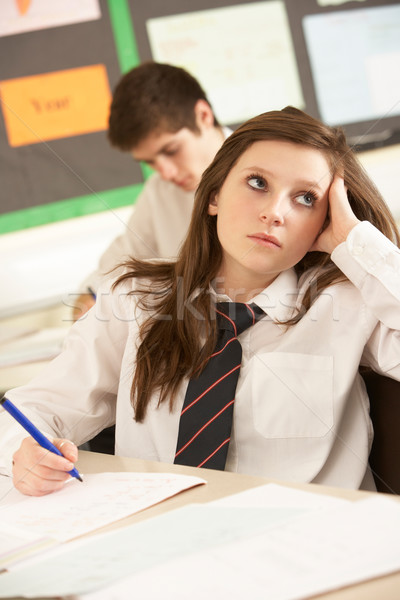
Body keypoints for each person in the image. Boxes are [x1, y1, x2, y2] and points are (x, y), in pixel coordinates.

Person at [1, 106, 399, 496]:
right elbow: (36, 410)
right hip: (161, 536)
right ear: (213, 196)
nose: (274, 213)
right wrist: (22, 454)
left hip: (307, 543)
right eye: (258, 183)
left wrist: (355, 241)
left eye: (306, 199)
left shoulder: (349, 302)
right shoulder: (135, 299)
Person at [72, 61, 230, 320]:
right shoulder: (159, 191)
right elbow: (126, 254)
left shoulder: (270, 171)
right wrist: (90, 298)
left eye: (171, 151)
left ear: (203, 116)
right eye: (151, 161)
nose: (165, 172)